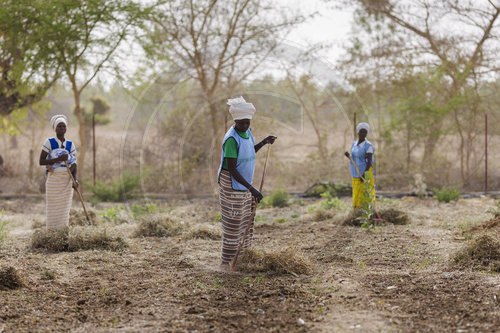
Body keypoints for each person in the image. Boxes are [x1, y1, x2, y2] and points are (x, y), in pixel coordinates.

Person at [217, 96, 276, 268]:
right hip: (232, 184)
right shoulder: (231, 139)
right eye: (241, 123)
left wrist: (264, 142)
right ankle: (227, 262)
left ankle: (242, 259)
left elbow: (249, 151)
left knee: (246, 220)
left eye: (247, 123)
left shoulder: (247, 132)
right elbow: (232, 169)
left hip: (243, 184)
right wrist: (252, 189)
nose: (244, 126)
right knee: (233, 223)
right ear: (235, 121)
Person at [39, 115, 78, 228]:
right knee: (53, 208)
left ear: (66, 128)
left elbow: (74, 164)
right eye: (59, 126)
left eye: (63, 126)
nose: (62, 128)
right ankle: (52, 233)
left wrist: (75, 180)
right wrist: (58, 159)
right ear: (55, 128)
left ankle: (63, 233)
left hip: (67, 180)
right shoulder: (49, 142)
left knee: (65, 210)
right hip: (53, 179)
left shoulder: (70, 144)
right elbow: (41, 161)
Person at [345, 122, 375, 208]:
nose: (363, 134)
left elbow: (369, 162)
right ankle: (356, 212)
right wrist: (348, 156)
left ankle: (367, 212)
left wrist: (365, 174)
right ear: (358, 132)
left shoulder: (368, 146)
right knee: (356, 192)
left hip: (365, 173)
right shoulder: (354, 144)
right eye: (361, 132)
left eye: (365, 132)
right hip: (355, 173)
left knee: (365, 193)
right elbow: (354, 157)